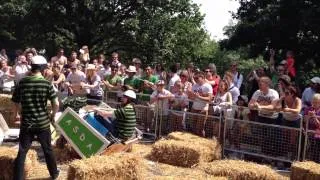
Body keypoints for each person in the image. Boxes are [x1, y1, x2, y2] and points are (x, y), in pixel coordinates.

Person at [11, 55, 60, 180]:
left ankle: (18, 177)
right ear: (43, 69)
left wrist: (16, 114)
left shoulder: (22, 82)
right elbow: (56, 104)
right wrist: (52, 115)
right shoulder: (46, 84)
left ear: (31, 67)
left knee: (22, 151)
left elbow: (15, 101)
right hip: (43, 123)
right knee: (48, 149)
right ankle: (54, 173)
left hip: (26, 123)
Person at [188, 71, 213, 137]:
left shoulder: (208, 86)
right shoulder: (195, 86)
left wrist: (199, 97)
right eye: (194, 78)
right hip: (194, 108)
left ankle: (202, 142)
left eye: (197, 78)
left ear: (202, 77)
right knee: (193, 127)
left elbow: (210, 99)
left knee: (200, 128)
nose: (195, 79)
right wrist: (190, 94)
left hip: (203, 109)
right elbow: (191, 97)